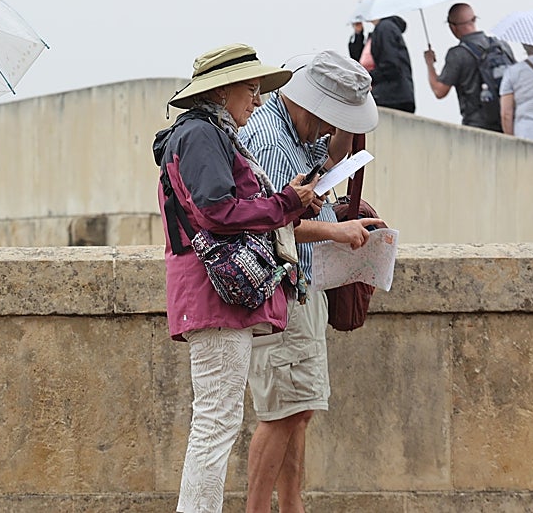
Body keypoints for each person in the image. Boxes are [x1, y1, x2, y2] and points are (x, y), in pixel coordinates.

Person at [153, 44, 319, 513]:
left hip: (206, 293)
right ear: (223, 90)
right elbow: (216, 210)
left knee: (215, 420)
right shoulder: (203, 135)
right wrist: (286, 203)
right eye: (251, 88)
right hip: (214, 296)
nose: (258, 100)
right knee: (215, 423)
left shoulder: (199, 133)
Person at [240, 50, 385, 513]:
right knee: (280, 412)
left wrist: (345, 130)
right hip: (283, 288)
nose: (328, 131)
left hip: (301, 286)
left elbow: (320, 166)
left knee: (297, 410)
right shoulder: (271, 142)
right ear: (312, 106)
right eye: (329, 119)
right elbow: (273, 223)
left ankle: (292, 507)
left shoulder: (293, 131)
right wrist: (337, 230)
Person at [424, 3, 515, 132]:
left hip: (476, 126)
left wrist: (429, 64)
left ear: (452, 27)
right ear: (474, 20)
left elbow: (439, 91)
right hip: (506, 123)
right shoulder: (502, 46)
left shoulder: (458, 53)